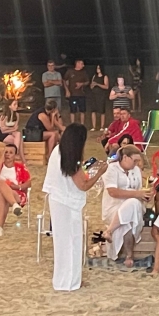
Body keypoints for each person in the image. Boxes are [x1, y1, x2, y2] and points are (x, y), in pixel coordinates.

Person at [42, 124, 107, 292]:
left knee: (63, 243)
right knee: (72, 243)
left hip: (57, 199)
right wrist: (100, 173)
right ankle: (69, 282)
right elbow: (83, 185)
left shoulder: (58, 150)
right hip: (68, 204)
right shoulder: (70, 155)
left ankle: (66, 280)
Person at [101, 145, 150, 267]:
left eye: (138, 161)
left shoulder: (136, 170)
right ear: (125, 158)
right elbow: (113, 192)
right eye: (135, 160)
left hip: (135, 206)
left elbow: (139, 191)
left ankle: (109, 231)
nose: (137, 163)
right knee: (129, 217)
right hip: (113, 206)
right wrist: (137, 194)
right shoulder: (111, 169)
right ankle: (129, 255)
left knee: (132, 205)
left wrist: (145, 195)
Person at [0, 142, 31, 237]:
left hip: (14, 193)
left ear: (15, 155)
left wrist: (17, 187)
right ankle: (14, 205)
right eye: (6, 152)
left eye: (11, 152)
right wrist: (1, 159)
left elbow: (28, 183)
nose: (7, 155)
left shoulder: (20, 167)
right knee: (1, 182)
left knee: (3, 195)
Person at [64, 59, 91, 125]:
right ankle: (73, 125)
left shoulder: (84, 72)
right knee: (73, 110)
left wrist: (81, 84)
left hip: (81, 94)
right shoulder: (70, 71)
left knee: (82, 110)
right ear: (77, 64)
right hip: (72, 94)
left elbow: (87, 82)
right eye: (82, 64)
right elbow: (64, 80)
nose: (83, 65)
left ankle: (82, 125)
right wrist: (67, 90)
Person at [88, 64, 110, 130]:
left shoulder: (105, 76)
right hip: (94, 95)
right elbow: (91, 86)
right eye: (97, 68)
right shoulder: (94, 76)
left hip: (101, 95)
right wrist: (92, 85)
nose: (97, 69)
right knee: (93, 110)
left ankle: (102, 126)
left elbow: (106, 86)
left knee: (101, 111)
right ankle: (94, 127)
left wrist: (97, 84)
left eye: (99, 68)